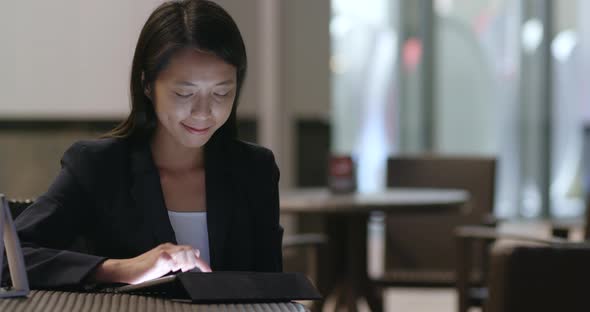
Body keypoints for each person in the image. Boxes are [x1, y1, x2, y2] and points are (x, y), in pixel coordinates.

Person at [3, 0, 283, 289]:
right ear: (147, 85)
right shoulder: (98, 167)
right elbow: (8, 259)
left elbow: (273, 287)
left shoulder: (255, 170)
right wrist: (120, 269)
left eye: (222, 93)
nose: (203, 112)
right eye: (184, 94)